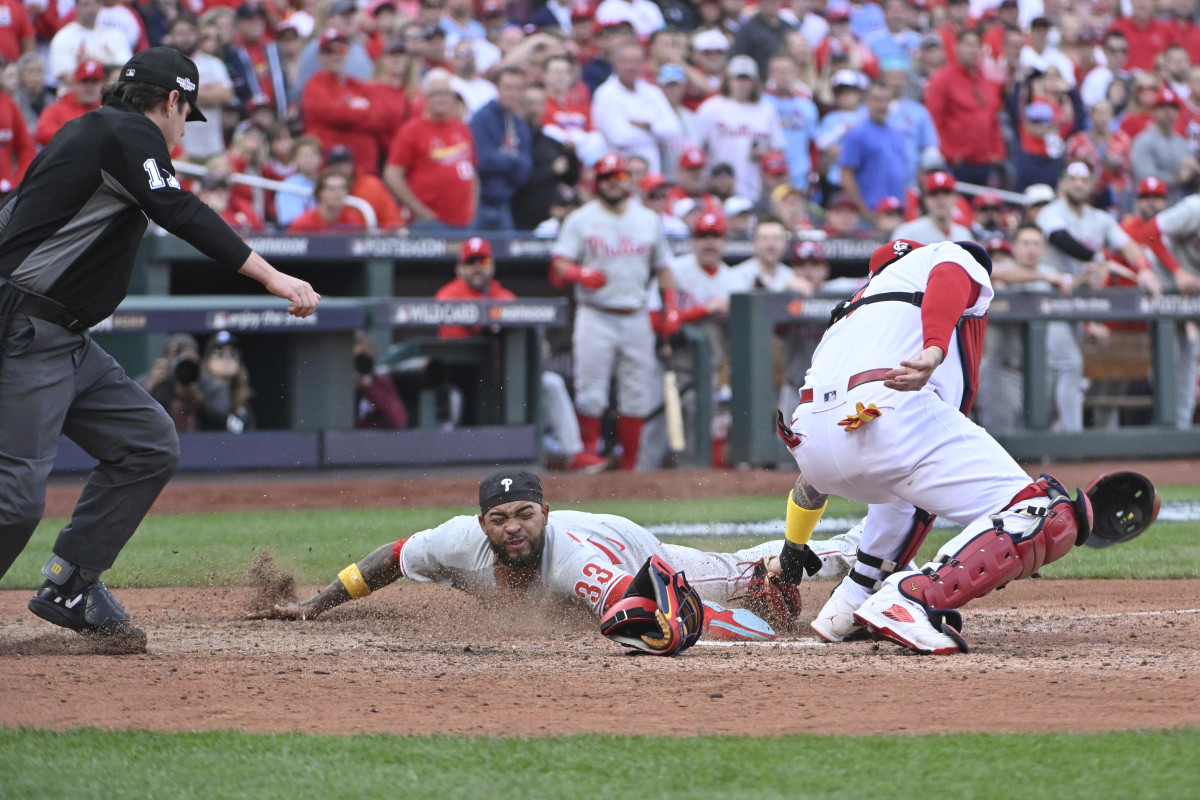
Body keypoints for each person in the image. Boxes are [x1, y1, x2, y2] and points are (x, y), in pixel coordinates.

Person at [0, 47, 320, 649]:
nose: (181, 129)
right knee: (15, 498)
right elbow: (179, 209)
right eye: (185, 114)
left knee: (147, 443)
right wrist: (273, 277)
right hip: (27, 332)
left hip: (63, 337)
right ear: (174, 101)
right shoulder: (126, 130)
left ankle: (70, 582)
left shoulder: (90, 134)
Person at [775, 238, 1095, 655]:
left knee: (907, 492)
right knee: (1043, 515)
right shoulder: (939, 258)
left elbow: (826, 462)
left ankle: (849, 605)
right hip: (888, 413)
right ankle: (911, 599)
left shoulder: (855, 308)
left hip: (811, 440)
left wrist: (793, 545)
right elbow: (951, 272)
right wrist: (934, 349)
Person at [246, 467, 863, 642]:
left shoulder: (569, 556)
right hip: (595, 559)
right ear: (482, 523)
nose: (513, 528)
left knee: (748, 571)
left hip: (626, 548)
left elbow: (642, 604)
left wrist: (698, 623)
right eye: (499, 518)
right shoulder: (456, 542)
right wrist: (314, 604)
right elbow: (391, 558)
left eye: (525, 514)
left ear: (543, 512)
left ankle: (864, 548)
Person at [550, 152, 677, 471]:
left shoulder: (647, 219)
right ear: (596, 182)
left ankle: (629, 469)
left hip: (635, 314)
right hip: (596, 313)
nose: (613, 184)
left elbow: (664, 268)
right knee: (590, 391)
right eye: (607, 178)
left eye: (619, 177)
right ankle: (588, 458)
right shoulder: (581, 218)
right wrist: (579, 273)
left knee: (636, 393)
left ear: (628, 181)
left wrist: (671, 307)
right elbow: (559, 263)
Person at [1036, 160, 1160, 432]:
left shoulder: (1099, 218)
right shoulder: (1050, 212)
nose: (1078, 184)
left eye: (1084, 180)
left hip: (1080, 305)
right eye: (1073, 178)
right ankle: (1072, 440)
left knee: (1068, 373)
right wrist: (1098, 256)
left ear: (1092, 185)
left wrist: (1144, 269)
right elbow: (1060, 239)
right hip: (1048, 301)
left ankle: (1061, 436)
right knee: (1068, 366)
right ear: (1063, 183)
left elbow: (1127, 245)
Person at [384, 67, 478, 231]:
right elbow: (392, 174)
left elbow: (472, 171)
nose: (442, 99)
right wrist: (419, 210)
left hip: (466, 221)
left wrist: (473, 207)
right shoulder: (412, 131)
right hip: (431, 223)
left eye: (446, 93)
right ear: (426, 97)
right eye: (437, 94)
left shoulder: (461, 128)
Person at [696, 54, 785, 204]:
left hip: (756, 187)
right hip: (720, 187)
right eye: (738, 78)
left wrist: (764, 154)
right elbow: (696, 146)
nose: (742, 84)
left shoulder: (766, 110)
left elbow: (779, 150)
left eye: (747, 79)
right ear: (728, 80)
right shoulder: (711, 108)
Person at [301, 29, 391, 178]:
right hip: (330, 173)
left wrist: (347, 110)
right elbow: (335, 115)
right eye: (329, 50)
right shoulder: (314, 85)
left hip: (366, 170)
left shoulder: (359, 85)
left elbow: (381, 117)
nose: (336, 55)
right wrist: (362, 111)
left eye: (341, 49)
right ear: (320, 56)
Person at [924, 29, 1004, 187]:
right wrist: (949, 153)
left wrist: (998, 151)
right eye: (968, 45)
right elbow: (933, 120)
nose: (972, 50)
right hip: (958, 162)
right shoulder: (943, 80)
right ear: (956, 47)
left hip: (985, 161)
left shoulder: (986, 81)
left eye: (976, 45)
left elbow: (993, 119)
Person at [590, 41, 681, 174]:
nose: (631, 66)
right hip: (620, 172)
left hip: (653, 171)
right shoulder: (605, 94)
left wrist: (649, 126)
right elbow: (619, 137)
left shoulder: (652, 92)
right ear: (615, 63)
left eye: (636, 61)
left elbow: (675, 131)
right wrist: (658, 133)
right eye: (626, 61)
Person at [470, 67, 533, 231]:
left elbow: (525, 170)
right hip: (480, 203)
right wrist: (514, 160)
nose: (512, 93)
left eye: (517, 88)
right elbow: (482, 161)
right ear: (497, 88)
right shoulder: (482, 118)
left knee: (506, 254)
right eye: (507, 87)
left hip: (505, 203)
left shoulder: (521, 126)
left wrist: (503, 158)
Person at [838, 81, 909, 222]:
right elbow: (846, 175)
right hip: (871, 214)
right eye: (877, 100)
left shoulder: (896, 133)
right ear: (867, 101)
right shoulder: (857, 133)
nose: (882, 106)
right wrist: (864, 211)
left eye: (886, 101)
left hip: (896, 214)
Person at [1130, 88, 1198, 199]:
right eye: (1163, 108)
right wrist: (1177, 179)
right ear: (1154, 112)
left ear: (1177, 113)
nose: (1168, 112)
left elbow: (1191, 180)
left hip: (1177, 206)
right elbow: (1146, 176)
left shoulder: (1183, 143)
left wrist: (1194, 171)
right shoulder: (1143, 141)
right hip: (1149, 207)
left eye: (1172, 108)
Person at [35, 60, 105, 147]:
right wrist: (80, 136)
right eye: (85, 82)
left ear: (102, 85)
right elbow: (42, 134)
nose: (89, 87)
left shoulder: (108, 111)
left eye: (94, 82)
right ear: (74, 84)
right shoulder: (56, 109)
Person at [892, 171, 972, 244]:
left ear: (955, 197)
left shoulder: (964, 235)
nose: (940, 198)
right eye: (934, 194)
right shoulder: (907, 233)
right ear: (925, 199)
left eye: (946, 192)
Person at [352, 330, 409, 430]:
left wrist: (370, 388)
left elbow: (399, 422)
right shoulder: (336, 386)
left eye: (363, 360)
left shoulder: (380, 382)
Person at [287, 169, 367, 232]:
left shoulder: (353, 222)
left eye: (342, 188)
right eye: (332, 189)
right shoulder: (302, 225)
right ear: (320, 192)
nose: (338, 193)